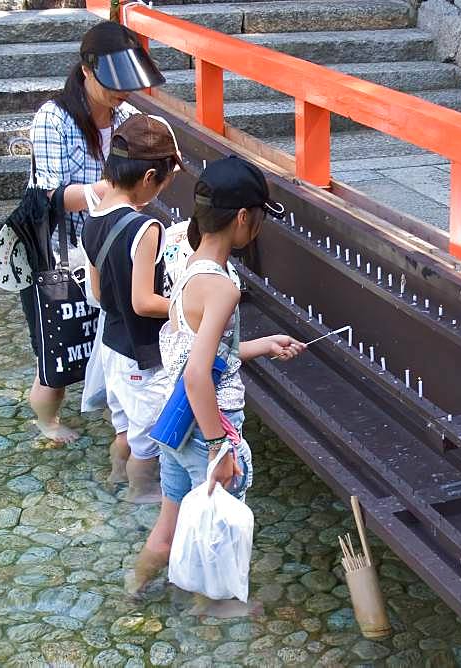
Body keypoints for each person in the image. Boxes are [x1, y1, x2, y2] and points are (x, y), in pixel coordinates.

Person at [126, 156, 305, 598]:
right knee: (219, 536)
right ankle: (214, 622)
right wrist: (217, 449)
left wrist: (261, 346)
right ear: (244, 217)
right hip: (210, 425)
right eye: (260, 218)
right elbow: (197, 376)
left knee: (169, 529)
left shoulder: (186, 268)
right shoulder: (224, 286)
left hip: (175, 423)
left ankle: (131, 593)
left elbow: (191, 354)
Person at [23, 20, 165, 444]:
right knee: (60, 346)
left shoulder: (128, 117)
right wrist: (103, 192)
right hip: (59, 250)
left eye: (127, 84)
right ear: (86, 70)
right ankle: (47, 422)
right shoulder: (55, 118)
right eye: (113, 83)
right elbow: (46, 196)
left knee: (109, 340)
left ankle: (116, 416)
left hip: (109, 248)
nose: (121, 93)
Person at [81, 114, 185, 504]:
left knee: (123, 429)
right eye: (164, 183)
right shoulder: (146, 228)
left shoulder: (93, 214)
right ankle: (141, 495)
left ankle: (114, 479)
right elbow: (144, 302)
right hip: (139, 354)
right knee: (149, 439)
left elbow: (97, 291)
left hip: (110, 344)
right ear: (147, 179)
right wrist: (184, 306)